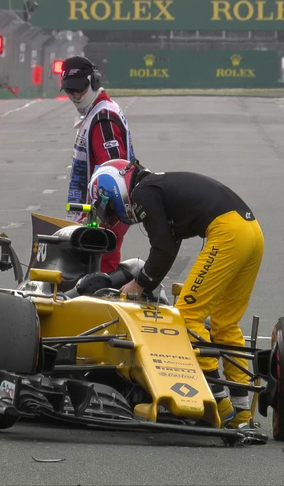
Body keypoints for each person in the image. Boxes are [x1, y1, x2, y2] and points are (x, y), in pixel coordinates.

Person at [87, 160, 265, 429]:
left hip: (228, 233)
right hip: (252, 233)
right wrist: (147, 280)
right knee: (225, 324)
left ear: (114, 190)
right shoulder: (157, 186)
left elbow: (163, 248)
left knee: (188, 317)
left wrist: (140, 283)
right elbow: (168, 246)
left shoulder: (143, 192)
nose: (116, 214)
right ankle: (241, 414)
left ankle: (220, 404)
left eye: (111, 207)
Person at [61, 55, 135, 273]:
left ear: (94, 82)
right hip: (103, 214)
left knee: (99, 278)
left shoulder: (103, 118)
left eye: (80, 89)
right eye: (69, 90)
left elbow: (114, 173)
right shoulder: (98, 110)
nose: (75, 95)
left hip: (105, 216)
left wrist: (96, 218)